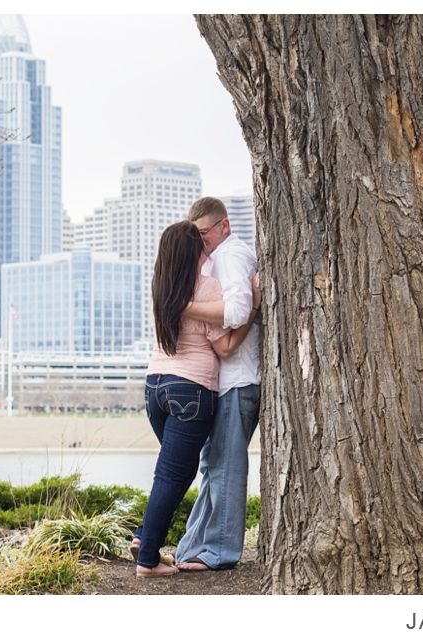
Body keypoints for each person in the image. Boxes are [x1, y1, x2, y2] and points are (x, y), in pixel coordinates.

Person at [133, 220, 260, 577]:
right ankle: (147, 559)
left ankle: (144, 536)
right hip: (191, 389)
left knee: (175, 470)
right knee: (174, 474)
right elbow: (226, 345)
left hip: (155, 386)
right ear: (194, 252)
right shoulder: (206, 287)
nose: (208, 249)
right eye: (202, 245)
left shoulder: (160, 288)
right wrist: (253, 308)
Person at [174, 196, 262, 572]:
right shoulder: (216, 259)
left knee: (226, 468)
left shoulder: (230, 256)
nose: (201, 240)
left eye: (205, 233)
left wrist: (181, 305)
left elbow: (240, 309)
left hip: (238, 381)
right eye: (195, 235)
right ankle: (190, 548)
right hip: (223, 383)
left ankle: (220, 553)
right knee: (212, 467)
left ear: (224, 226)